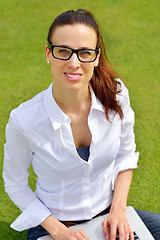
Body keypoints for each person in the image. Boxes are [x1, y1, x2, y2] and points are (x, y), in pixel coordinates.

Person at [3, 9, 160, 240]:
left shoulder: (115, 95)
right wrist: (58, 231)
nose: (74, 63)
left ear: (96, 57)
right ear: (48, 53)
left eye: (85, 53)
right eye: (63, 51)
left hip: (109, 216)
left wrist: (117, 211)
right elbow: (16, 186)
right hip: (55, 226)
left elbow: (126, 155)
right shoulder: (24, 119)